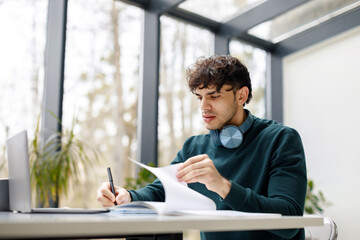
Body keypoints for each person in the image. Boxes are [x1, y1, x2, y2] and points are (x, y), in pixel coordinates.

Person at [97, 55, 307, 240]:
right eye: (199, 97)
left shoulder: (281, 139)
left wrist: (223, 187)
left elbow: (289, 222)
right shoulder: (194, 147)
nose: (204, 107)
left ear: (241, 96)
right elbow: (160, 192)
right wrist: (128, 197)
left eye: (214, 96)